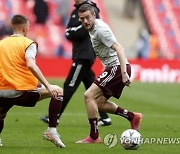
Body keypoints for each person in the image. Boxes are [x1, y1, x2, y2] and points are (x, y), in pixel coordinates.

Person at [76, 4, 142, 143]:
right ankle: (132, 116)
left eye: (88, 17)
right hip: (112, 68)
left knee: (88, 96)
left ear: (94, 15)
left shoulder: (100, 30)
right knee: (98, 103)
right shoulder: (92, 28)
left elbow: (119, 48)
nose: (85, 21)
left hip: (117, 68)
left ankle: (94, 137)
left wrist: (123, 73)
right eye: (82, 19)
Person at [40, 0, 112, 126]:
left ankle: (55, 116)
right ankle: (105, 118)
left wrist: (71, 32)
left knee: (69, 86)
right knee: (91, 86)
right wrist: (71, 32)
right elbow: (70, 32)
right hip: (81, 53)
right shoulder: (77, 11)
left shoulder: (91, 10)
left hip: (84, 55)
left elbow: (78, 30)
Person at [0, 14, 65, 148]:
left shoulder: (1, 44)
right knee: (58, 91)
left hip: (2, 91)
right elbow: (30, 64)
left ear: (13, 27)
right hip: (21, 91)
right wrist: (48, 85)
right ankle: (51, 131)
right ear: (25, 29)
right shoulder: (28, 43)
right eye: (28, 27)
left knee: (1, 114)